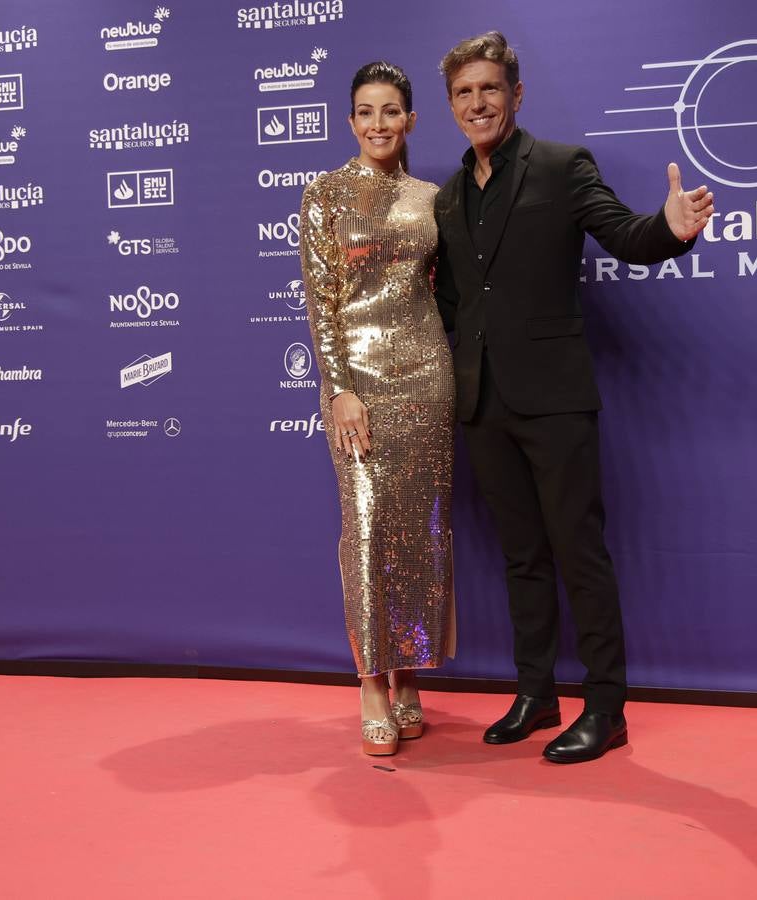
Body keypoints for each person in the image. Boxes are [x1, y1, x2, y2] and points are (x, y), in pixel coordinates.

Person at [433, 32, 714, 763]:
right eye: (463, 93)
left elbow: (625, 234)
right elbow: (457, 304)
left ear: (516, 96)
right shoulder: (450, 196)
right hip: (484, 404)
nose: (477, 103)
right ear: (451, 106)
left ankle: (606, 706)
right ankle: (535, 693)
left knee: (576, 551)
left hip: (555, 400)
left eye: (489, 89)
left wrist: (672, 229)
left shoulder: (561, 167)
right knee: (521, 558)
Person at [299, 61, 456, 757]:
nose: (378, 123)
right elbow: (321, 301)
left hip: (426, 375)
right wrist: (340, 389)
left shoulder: (433, 198)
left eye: (390, 110)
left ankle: (410, 667)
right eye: (365, 111)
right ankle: (371, 683)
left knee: (419, 532)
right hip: (357, 381)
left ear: (411, 120)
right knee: (366, 531)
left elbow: (447, 291)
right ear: (350, 120)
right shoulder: (324, 194)